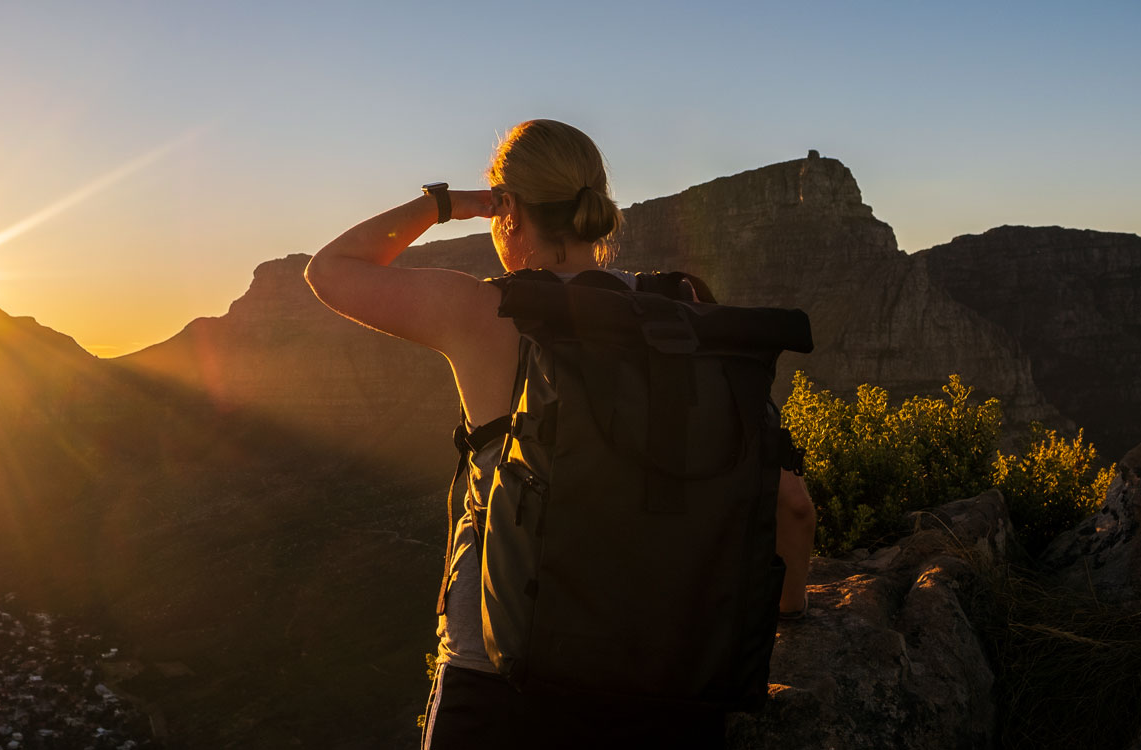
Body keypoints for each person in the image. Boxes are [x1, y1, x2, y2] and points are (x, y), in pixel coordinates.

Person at [304, 119, 816, 748]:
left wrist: (446, 204)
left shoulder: (485, 313)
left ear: (508, 210)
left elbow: (329, 269)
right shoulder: (690, 322)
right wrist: (791, 615)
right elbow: (792, 505)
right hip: (668, 678)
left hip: (499, 676)